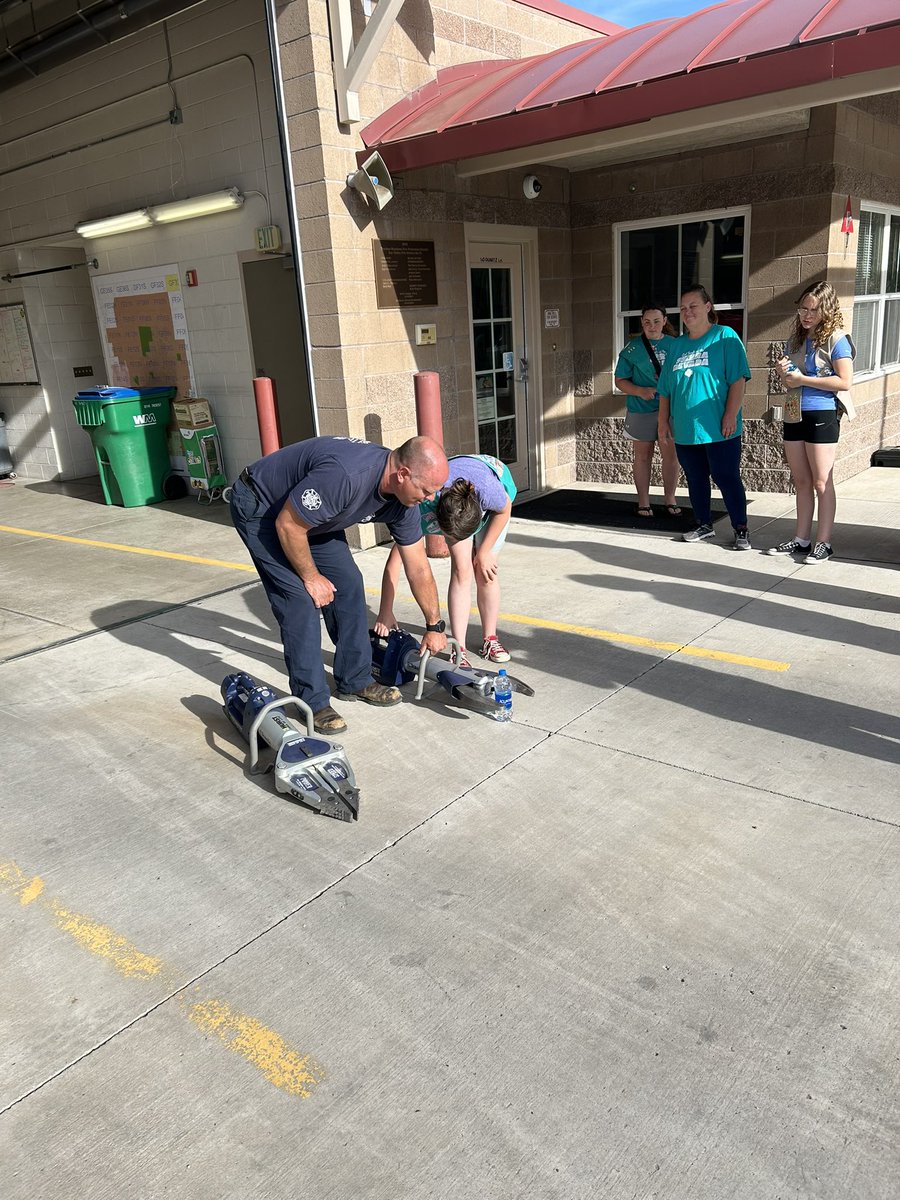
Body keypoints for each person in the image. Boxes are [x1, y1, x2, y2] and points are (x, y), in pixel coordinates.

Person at [229, 435, 449, 735]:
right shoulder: (347, 476)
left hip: (313, 521)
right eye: (426, 490)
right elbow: (289, 525)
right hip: (264, 508)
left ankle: (355, 680)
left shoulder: (404, 502)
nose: (430, 499)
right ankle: (312, 702)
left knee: (349, 585)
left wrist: (434, 625)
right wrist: (311, 577)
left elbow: (418, 567)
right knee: (298, 602)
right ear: (402, 474)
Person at [374, 453, 517, 667]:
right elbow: (396, 561)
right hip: (455, 507)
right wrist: (385, 610)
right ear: (438, 524)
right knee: (462, 570)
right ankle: (459, 647)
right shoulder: (421, 508)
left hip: (495, 500)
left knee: (485, 570)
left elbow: (504, 509)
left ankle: (490, 638)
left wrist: (485, 552)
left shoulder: (489, 491)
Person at [657, 284, 752, 550]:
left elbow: (738, 380)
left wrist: (730, 414)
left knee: (726, 476)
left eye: (693, 306)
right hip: (686, 429)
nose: (687, 312)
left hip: (720, 427)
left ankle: (740, 528)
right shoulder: (677, 346)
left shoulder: (725, 337)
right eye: (683, 308)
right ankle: (703, 524)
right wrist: (663, 421)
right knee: (695, 478)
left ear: (708, 306)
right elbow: (665, 389)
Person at [769, 281, 854, 564]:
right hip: (794, 411)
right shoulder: (794, 340)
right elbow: (789, 382)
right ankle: (801, 539)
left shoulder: (837, 339)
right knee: (801, 481)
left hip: (822, 413)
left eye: (813, 310)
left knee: (821, 481)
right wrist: (784, 372)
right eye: (803, 309)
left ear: (826, 310)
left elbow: (844, 381)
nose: (806, 315)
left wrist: (803, 379)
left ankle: (824, 543)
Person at [614, 303, 682, 517]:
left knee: (671, 456)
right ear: (641, 323)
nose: (652, 326)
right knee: (642, 457)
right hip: (641, 409)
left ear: (664, 321)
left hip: (670, 409)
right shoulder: (632, 349)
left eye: (656, 321)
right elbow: (620, 380)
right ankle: (643, 501)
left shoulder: (677, 345)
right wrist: (639, 391)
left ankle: (670, 498)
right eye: (647, 322)